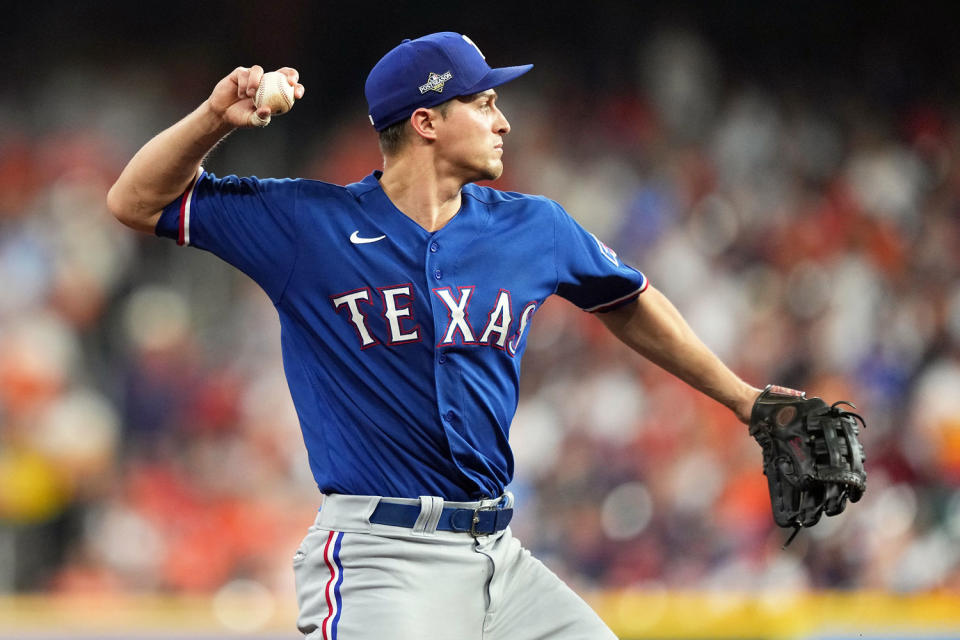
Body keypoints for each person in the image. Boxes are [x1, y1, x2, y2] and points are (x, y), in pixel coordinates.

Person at [108, 32, 762, 640]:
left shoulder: (534, 227)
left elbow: (629, 299)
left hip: (501, 560)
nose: (503, 121)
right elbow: (135, 201)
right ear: (427, 121)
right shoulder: (310, 226)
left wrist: (743, 399)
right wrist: (216, 118)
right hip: (381, 558)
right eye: (483, 103)